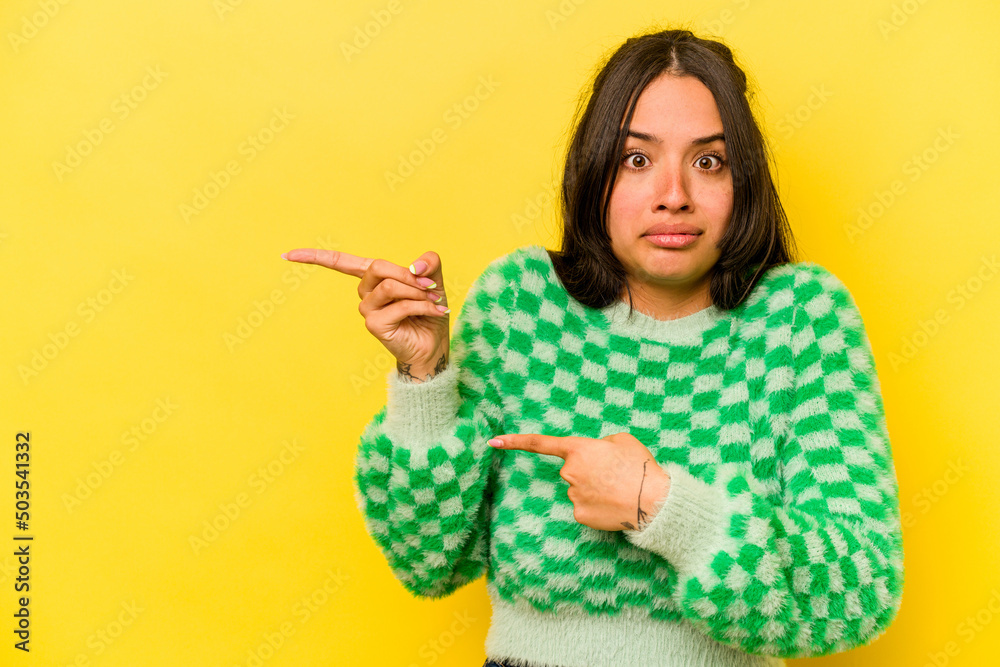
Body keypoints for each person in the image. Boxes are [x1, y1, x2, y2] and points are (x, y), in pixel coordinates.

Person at [283, 27, 904, 667]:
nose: (674, 195)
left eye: (708, 161)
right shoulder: (521, 304)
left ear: (743, 181)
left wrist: (660, 505)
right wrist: (424, 380)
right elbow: (428, 561)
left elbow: (859, 590)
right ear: (594, 173)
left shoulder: (800, 319)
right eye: (637, 159)